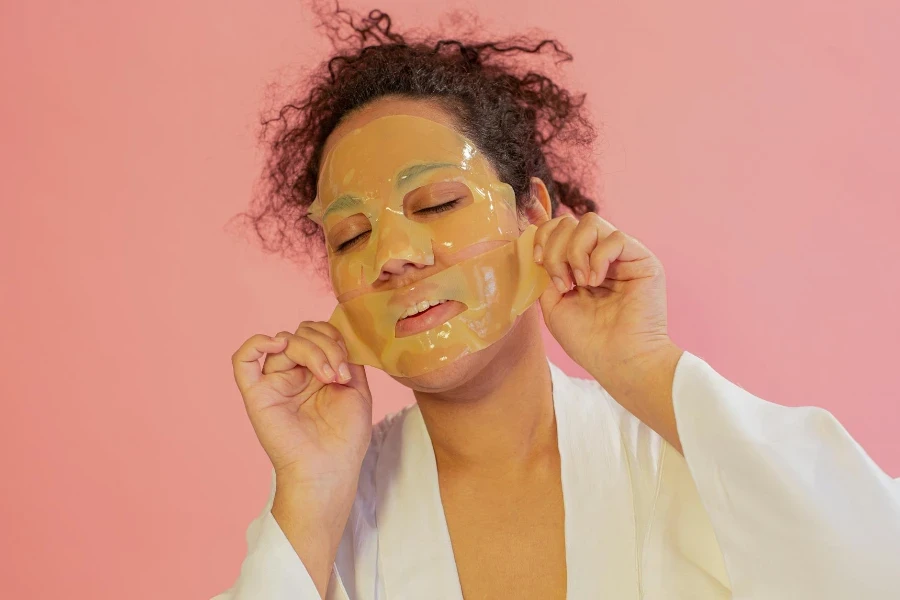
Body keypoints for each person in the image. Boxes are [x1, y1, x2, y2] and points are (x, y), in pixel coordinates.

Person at [216, 8, 900, 600]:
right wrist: (308, 495)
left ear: (534, 213)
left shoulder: (681, 455)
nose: (392, 253)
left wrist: (645, 367)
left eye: (440, 203)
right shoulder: (331, 511)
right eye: (351, 235)